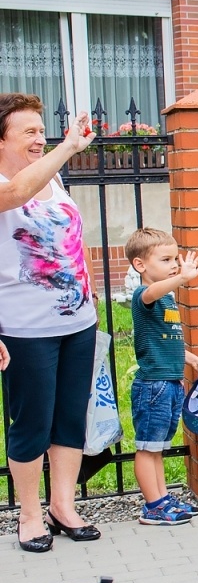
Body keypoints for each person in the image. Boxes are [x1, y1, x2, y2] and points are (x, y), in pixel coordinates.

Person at [0, 94, 103, 554]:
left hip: (77, 323)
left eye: (42, 131)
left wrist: (90, 288)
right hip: (24, 329)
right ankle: (28, 514)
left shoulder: (54, 177)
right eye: (29, 131)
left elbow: (73, 239)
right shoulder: (7, 183)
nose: (40, 139)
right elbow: (16, 194)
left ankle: (63, 507)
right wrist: (67, 146)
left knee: (69, 419)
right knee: (32, 422)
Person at [125, 228, 198, 526]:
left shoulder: (167, 299)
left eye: (176, 259)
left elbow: (167, 341)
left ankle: (162, 499)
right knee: (147, 447)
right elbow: (151, 292)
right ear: (140, 265)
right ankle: (153, 506)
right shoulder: (145, 296)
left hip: (170, 383)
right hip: (154, 385)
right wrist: (182, 279)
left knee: (157, 448)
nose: (174, 265)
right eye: (166, 260)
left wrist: (193, 359)